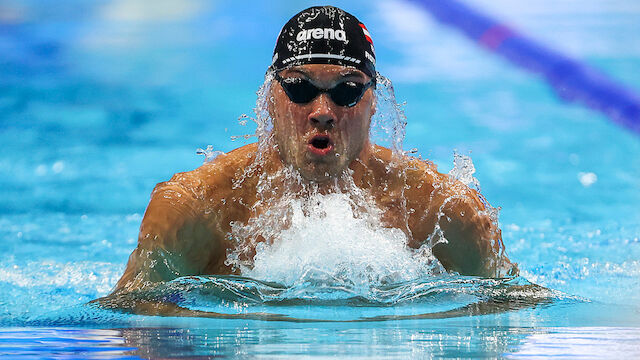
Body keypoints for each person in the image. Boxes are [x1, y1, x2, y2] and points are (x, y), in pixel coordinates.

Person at [112, 5, 517, 294]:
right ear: (270, 97)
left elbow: (509, 323)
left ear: (374, 101)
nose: (322, 112)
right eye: (300, 88)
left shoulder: (444, 212)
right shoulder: (195, 210)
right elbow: (135, 328)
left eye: (347, 91)